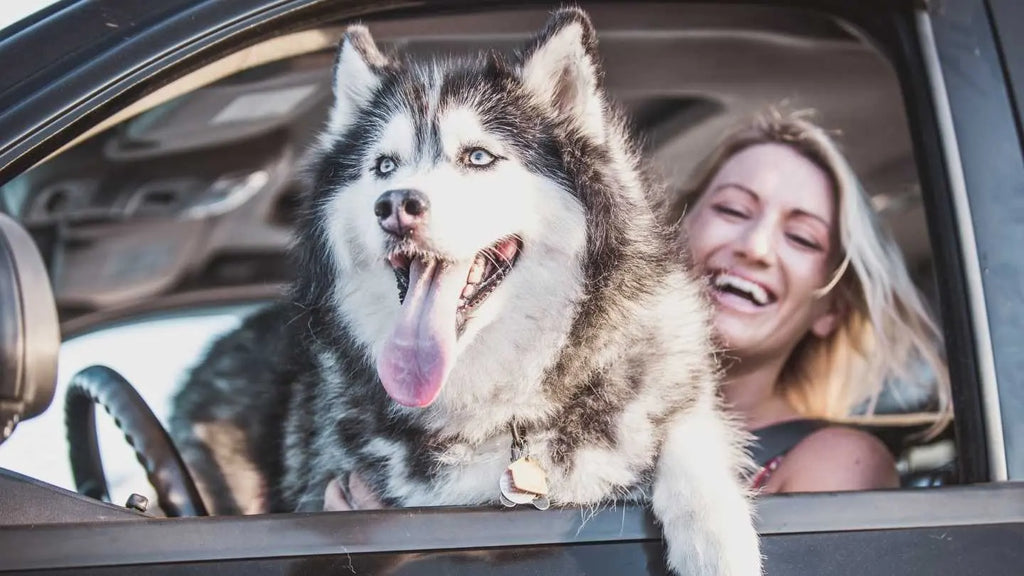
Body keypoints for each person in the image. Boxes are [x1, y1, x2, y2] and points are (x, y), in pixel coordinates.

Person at [667, 108, 951, 493]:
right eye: (732, 210)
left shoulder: (839, 462)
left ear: (832, 311)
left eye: (802, 238)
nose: (755, 247)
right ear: (670, 238)